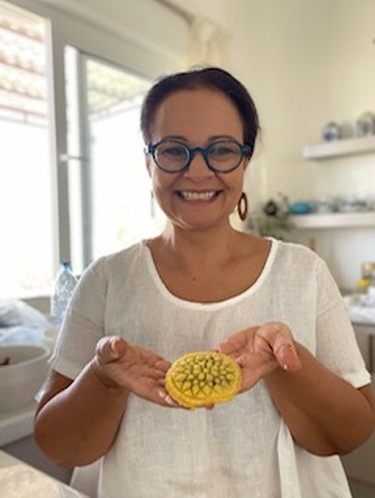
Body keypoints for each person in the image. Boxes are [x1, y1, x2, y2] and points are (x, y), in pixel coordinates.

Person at [35, 66, 374, 498]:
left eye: (221, 149)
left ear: (245, 161)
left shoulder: (302, 272)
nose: (198, 171)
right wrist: (103, 377)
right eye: (175, 150)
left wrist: (286, 364)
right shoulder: (106, 279)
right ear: (148, 160)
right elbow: (58, 446)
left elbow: (352, 433)